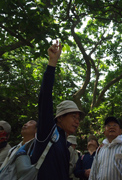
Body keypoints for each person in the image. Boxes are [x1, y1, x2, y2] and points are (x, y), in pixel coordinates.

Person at [30, 41, 85, 180]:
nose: (77, 121)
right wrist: (52, 64)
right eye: (73, 116)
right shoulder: (47, 132)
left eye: (78, 118)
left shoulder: (66, 147)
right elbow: (45, 99)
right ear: (60, 117)